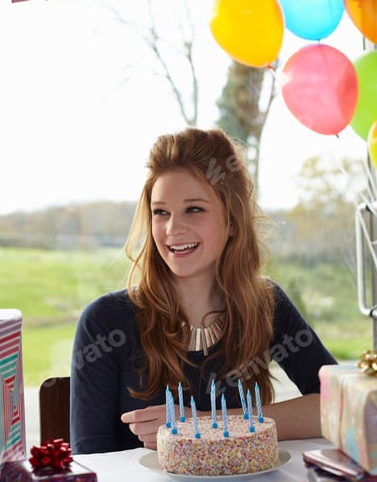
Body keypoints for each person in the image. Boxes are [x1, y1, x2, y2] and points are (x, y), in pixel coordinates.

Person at [70, 127, 336, 453]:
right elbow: (91, 467)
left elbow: (338, 405)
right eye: (160, 212)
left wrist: (210, 425)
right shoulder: (105, 323)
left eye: (193, 209)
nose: (172, 229)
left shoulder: (267, 304)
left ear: (232, 221)